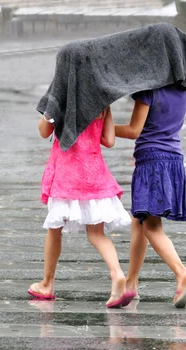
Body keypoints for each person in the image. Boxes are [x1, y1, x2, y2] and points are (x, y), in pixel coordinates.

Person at [29, 107, 133, 308]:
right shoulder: (102, 102)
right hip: (94, 173)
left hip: (66, 173)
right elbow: (109, 140)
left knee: (55, 230)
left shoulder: (62, 98)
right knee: (97, 234)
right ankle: (117, 274)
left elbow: (44, 131)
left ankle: (47, 284)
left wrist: (50, 111)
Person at [115, 83, 186, 309]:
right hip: (173, 159)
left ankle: (181, 272)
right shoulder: (183, 89)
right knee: (139, 220)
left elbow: (134, 130)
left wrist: (101, 127)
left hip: (152, 161)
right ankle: (131, 283)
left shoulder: (148, 91)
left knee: (151, 226)